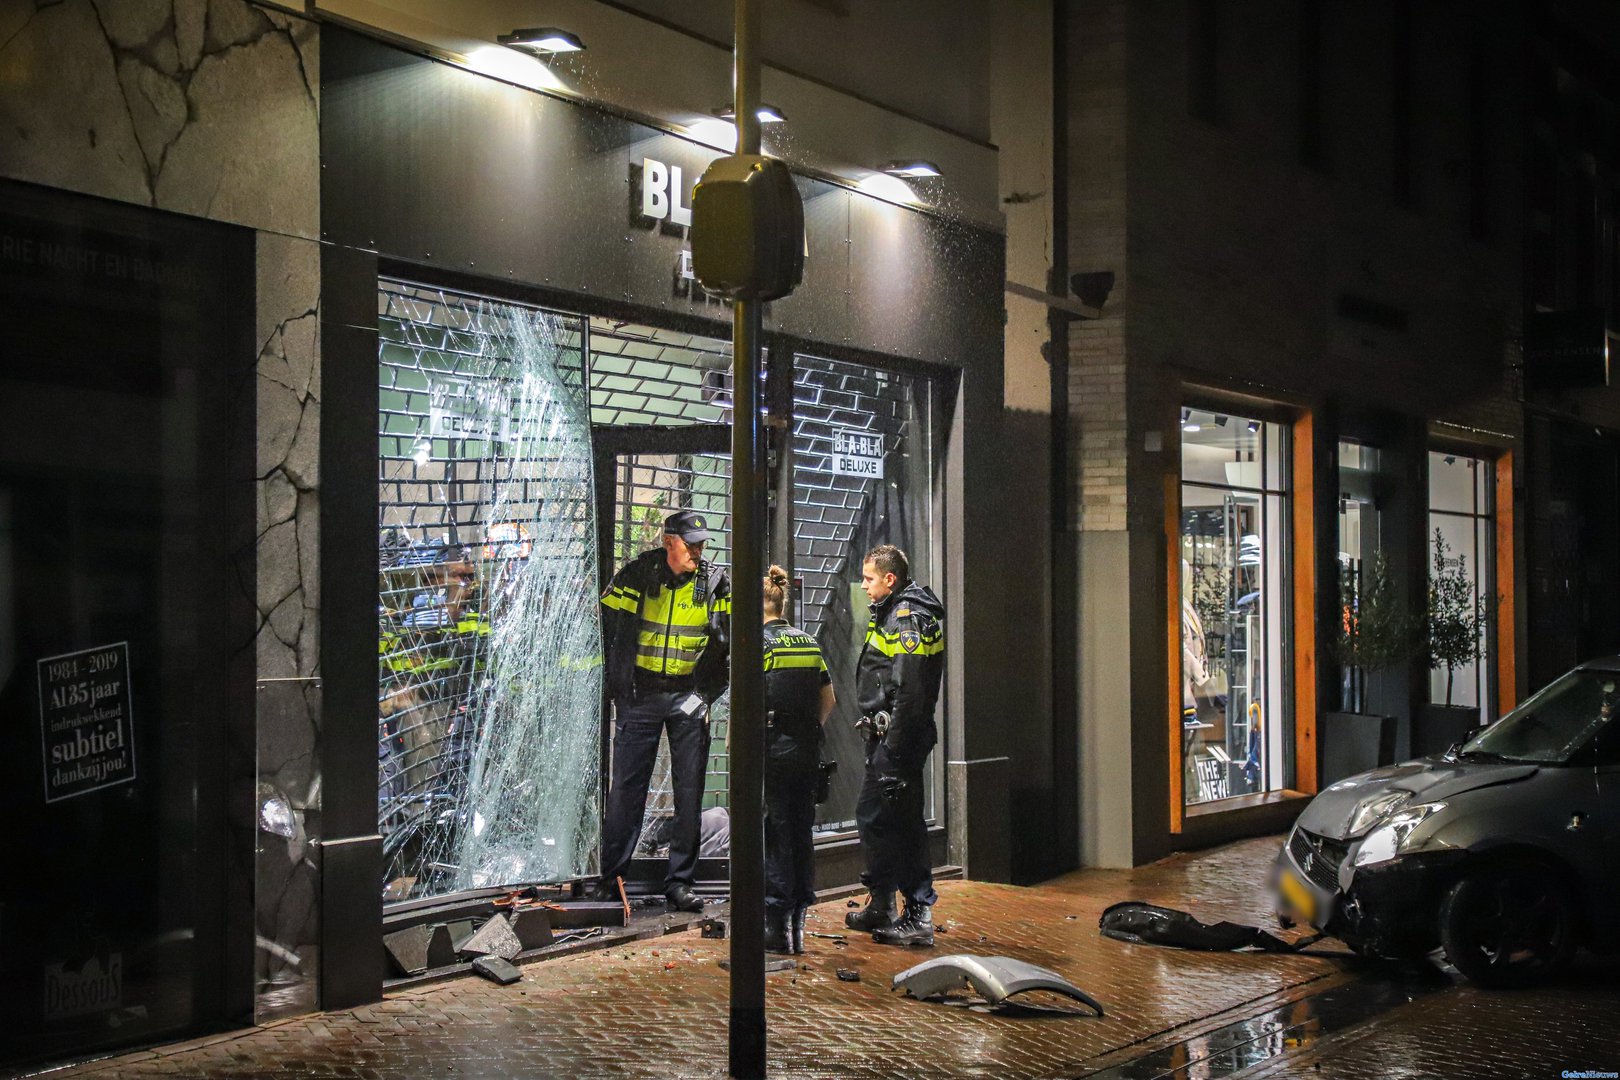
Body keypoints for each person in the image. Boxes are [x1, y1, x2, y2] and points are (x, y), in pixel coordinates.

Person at [594, 510, 731, 912]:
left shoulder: (715, 583)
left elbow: (728, 646)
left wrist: (704, 697)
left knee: (689, 792)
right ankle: (612, 877)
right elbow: (605, 627)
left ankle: (680, 883)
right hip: (640, 695)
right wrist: (619, 688)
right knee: (626, 791)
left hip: (687, 696)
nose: (697, 551)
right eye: (690, 543)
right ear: (668, 541)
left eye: (701, 544)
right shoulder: (637, 575)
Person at [846, 544, 945, 946]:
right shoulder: (894, 611)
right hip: (887, 739)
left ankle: (918, 913)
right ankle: (882, 903)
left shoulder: (907, 618)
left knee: (903, 825)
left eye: (869, 579)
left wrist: (896, 749)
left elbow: (912, 692)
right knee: (874, 818)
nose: (864, 586)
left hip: (897, 742)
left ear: (890, 579)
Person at [760, 565, 836, 955]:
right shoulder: (808, 642)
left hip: (773, 748)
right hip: (808, 750)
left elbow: (749, 703)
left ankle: (774, 925)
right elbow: (829, 700)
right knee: (801, 832)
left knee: (776, 833)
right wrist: (810, 729)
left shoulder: (759, 644)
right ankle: (800, 920)